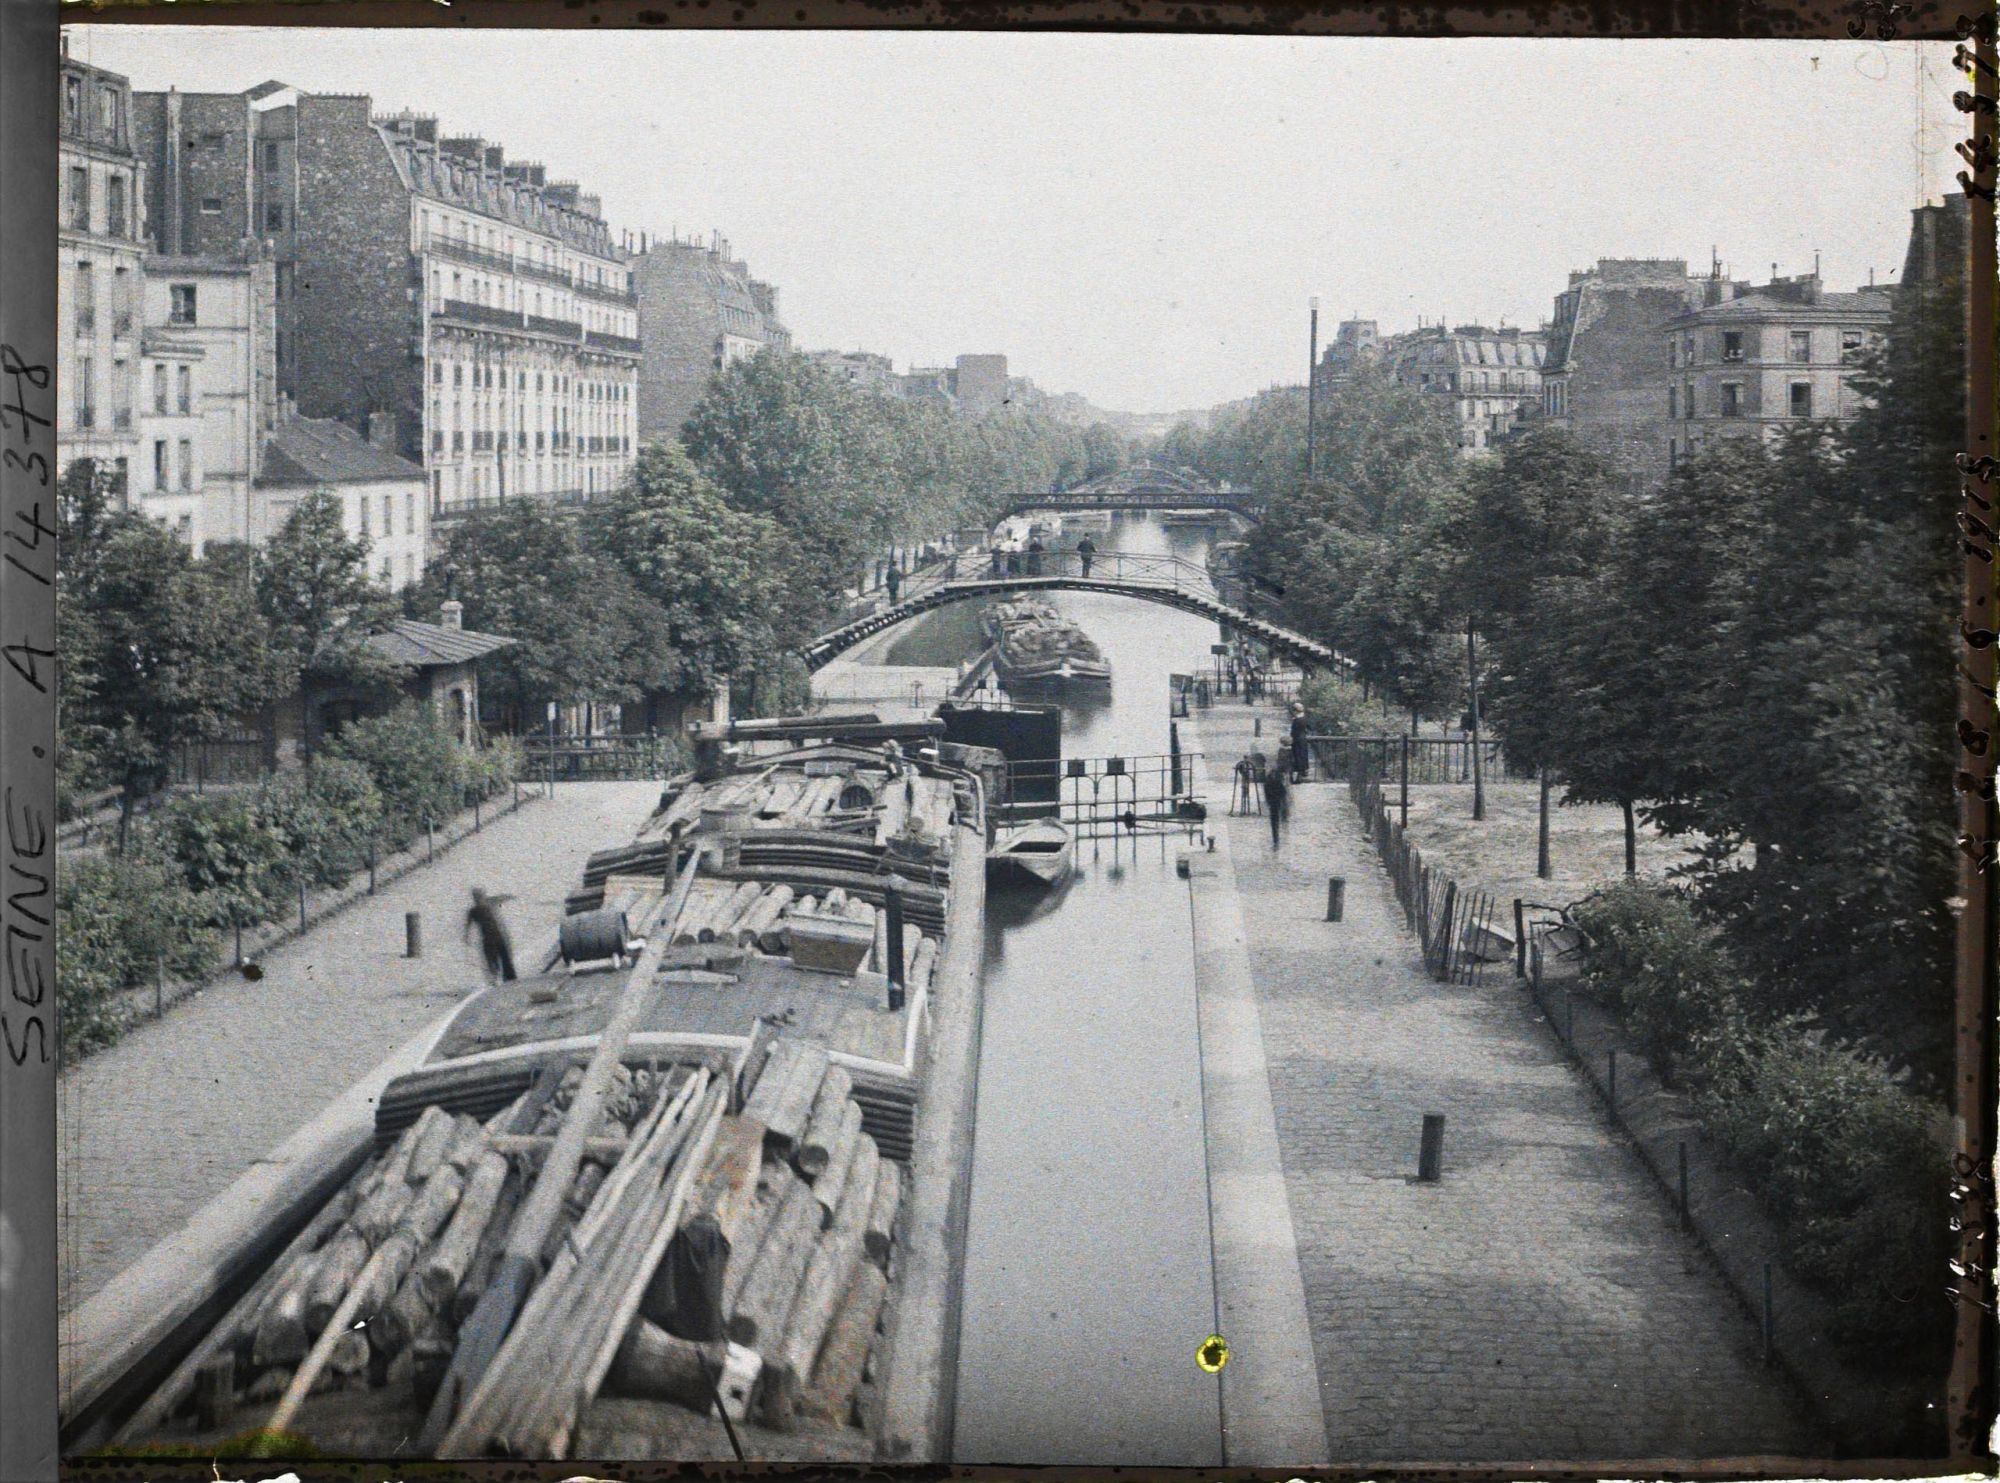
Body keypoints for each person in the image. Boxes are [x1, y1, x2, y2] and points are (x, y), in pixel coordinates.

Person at [465, 888, 517, 984]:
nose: (478, 899)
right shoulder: (474, 911)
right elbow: (468, 924)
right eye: (476, 897)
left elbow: (500, 898)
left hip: (498, 936)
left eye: (480, 896)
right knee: (492, 960)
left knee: (505, 957)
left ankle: (510, 978)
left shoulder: (489, 903)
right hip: (488, 939)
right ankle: (494, 979)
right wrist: (467, 936)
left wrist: (510, 896)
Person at [1262, 752, 1290, 848]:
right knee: (1275, 820)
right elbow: (1283, 790)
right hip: (1275, 801)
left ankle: (1276, 838)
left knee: (1274, 820)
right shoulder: (1275, 777)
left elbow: (1267, 789)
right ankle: (1276, 838)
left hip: (1274, 801)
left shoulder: (1271, 777)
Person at [1290, 700, 1310, 783]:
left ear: (1295, 711)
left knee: (1298, 758)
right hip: (1303, 739)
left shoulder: (1298, 720)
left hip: (1297, 740)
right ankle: (1301, 775)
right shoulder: (1304, 718)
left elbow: (1294, 731)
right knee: (1302, 757)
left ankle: (1297, 778)